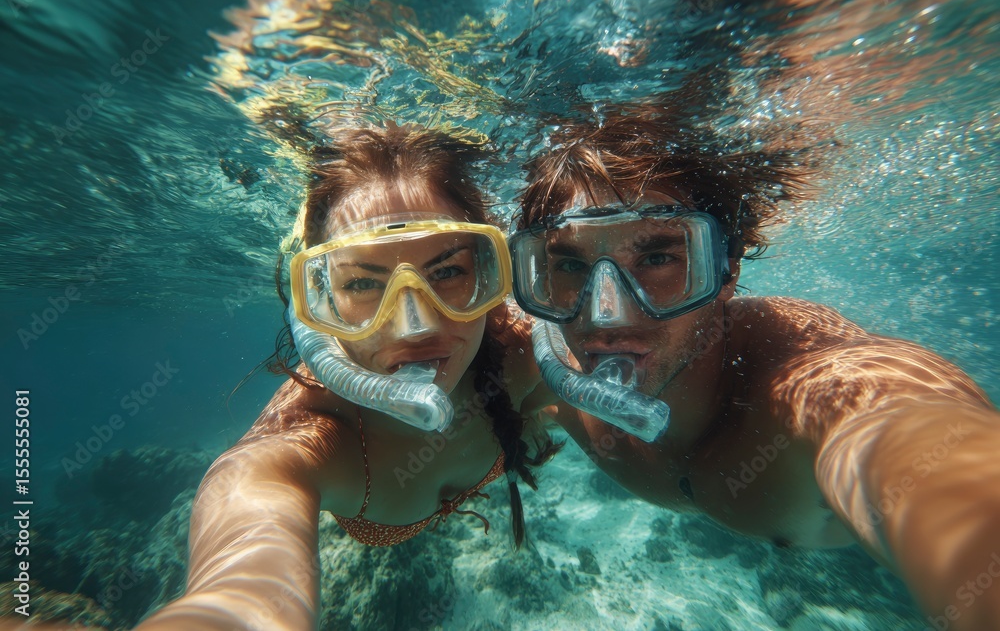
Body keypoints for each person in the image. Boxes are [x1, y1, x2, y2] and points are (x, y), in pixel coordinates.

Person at [509, 108, 1000, 630]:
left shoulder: (811, 385)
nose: (607, 314)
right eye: (569, 265)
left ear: (726, 270)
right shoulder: (539, 363)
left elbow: (911, 433)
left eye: (657, 258)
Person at [130, 124, 558, 631]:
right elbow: (243, 581)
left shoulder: (527, 352)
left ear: (491, 272)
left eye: (447, 272)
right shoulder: (306, 442)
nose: (415, 326)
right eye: (362, 283)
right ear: (318, 303)